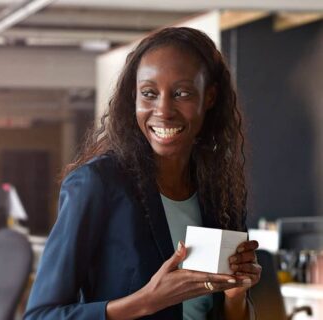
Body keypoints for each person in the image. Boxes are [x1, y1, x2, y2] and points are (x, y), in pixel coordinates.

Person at [24, 27, 261, 320]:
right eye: (149, 93)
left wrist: (236, 294)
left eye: (181, 93)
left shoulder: (218, 192)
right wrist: (147, 301)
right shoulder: (97, 184)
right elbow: (40, 315)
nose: (163, 109)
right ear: (133, 97)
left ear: (209, 97)